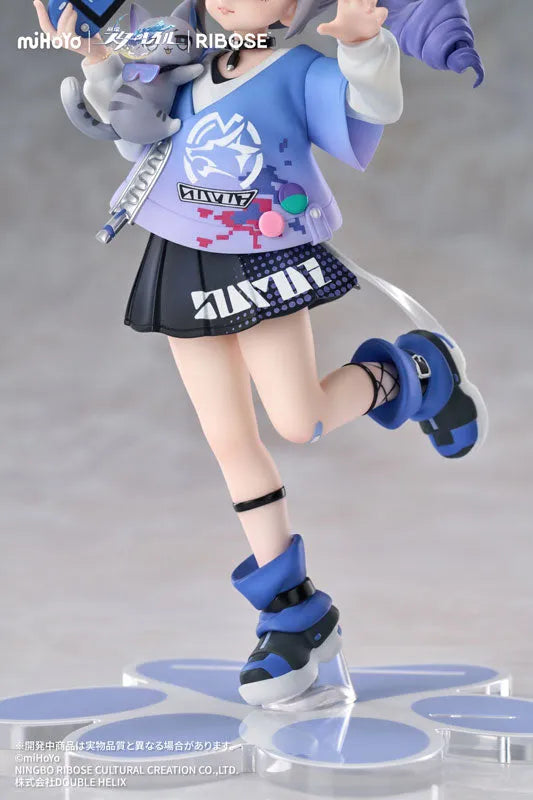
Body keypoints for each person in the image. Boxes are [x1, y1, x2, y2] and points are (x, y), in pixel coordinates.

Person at [34, 0, 485, 707]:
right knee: (228, 442)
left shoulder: (298, 70)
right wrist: (101, 66)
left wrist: (364, 47)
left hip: (262, 253)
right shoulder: (185, 61)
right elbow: (136, 142)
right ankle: (292, 616)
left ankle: (415, 373)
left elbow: (372, 108)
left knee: (298, 419)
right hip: (180, 251)